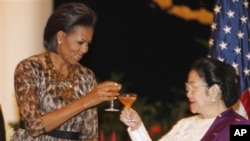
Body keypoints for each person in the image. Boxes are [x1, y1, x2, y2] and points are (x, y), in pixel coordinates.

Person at [11, 2, 122, 141]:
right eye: (80, 43)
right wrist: (86, 101)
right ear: (61, 37)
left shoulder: (86, 76)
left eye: (88, 44)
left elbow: (90, 135)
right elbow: (35, 126)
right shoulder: (29, 68)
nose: (85, 50)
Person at [120, 57, 250, 141]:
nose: (188, 94)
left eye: (193, 87)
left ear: (214, 90)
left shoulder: (240, 127)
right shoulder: (185, 124)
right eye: (187, 87)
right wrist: (137, 127)